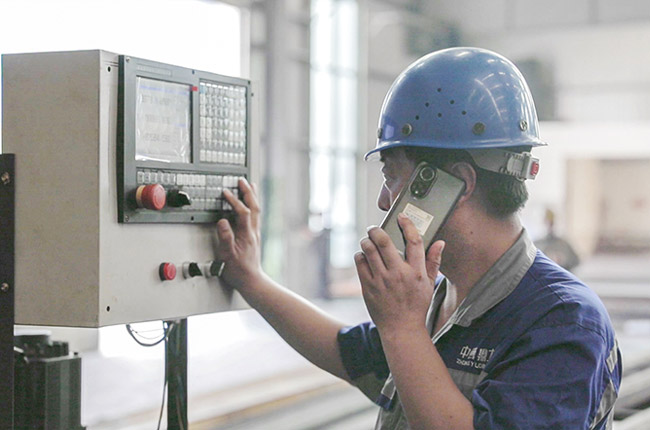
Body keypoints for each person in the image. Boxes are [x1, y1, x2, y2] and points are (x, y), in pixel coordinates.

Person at [214, 47, 622, 429]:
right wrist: (250, 278)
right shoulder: (442, 297)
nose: (383, 200)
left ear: (456, 184)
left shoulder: (563, 322)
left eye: (392, 176)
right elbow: (347, 352)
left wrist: (404, 330)